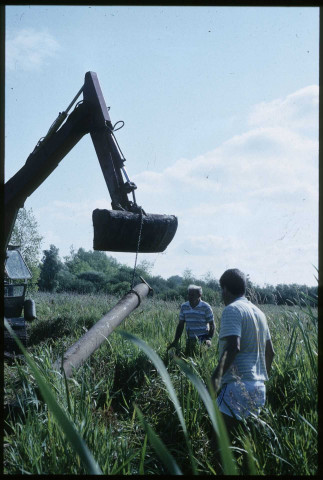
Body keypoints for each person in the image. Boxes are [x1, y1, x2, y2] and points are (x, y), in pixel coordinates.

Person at [211, 268, 275, 438]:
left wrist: (215, 379)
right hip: (259, 388)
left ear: (224, 289)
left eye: (221, 290)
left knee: (220, 442)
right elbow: (271, 353)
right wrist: (259, 378)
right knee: (246, 444)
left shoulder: (232, 310)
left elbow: (233, 347)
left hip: (236, 387)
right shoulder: (259, 313)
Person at [167, 284, 215, 354]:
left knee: (201, 358)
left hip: (203, 338)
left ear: (199, 295)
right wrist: (176, 340)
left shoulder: (206, 307)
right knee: (188, 357)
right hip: (190, 339)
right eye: (189, 294)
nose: (190, 297)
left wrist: (209, 338)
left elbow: (212, 324)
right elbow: (180, 325)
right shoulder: (184, 306)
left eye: (192, 295)